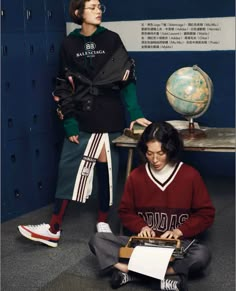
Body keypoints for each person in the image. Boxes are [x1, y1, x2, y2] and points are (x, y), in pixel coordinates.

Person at [17, 0, 151, 247]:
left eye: (100, 6)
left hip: (109, 113)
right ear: (78, 13)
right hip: (81, 115)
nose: (98, 10)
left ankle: (102, 223)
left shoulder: (111, 38)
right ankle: (54, 227)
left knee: (107, 166)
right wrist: (68, 122)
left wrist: (134, 112)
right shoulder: (69, 43)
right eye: (92, 7)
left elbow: (127, 78)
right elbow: (61, 85)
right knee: (69, 166)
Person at [89, 121, 215, 290]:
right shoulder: (136, 176)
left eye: (161, 153)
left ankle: (130, 272)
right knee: (97, 239)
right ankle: (167, 276)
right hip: (143, 244)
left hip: (176, 246)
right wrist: (141, 227)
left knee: (202, 255)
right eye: (149, 153)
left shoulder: (190, 175)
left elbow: (206, 214)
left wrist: (179, 231)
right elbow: (125, 211)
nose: (155, 159)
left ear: (171, 149)